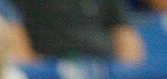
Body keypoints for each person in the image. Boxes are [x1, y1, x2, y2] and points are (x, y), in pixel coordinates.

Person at [12, 0, 145, 63]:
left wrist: (124, 73)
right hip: (51, 65)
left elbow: (124, 32)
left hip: (103, 65)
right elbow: (12, 31)